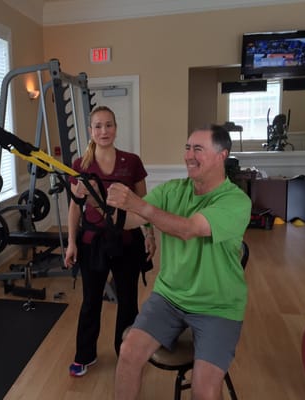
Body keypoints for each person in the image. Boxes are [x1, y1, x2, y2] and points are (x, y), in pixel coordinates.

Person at [106, 124, 252, 400]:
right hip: (169, 297)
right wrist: (97, 201)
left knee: (204, 390)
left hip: (217, 306)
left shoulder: (236, 202)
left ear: (223, 155)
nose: (189, 155)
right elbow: (130, 220)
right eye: (187, 148)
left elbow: (188, 230)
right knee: (128, 353)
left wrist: (138, 205)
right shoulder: (173, 190)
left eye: (198, 149)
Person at [64, 105, 156, 377]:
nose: (104, 131)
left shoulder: (132, 161)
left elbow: (144, 205)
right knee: (91, 300)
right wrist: (71, 242)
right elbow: (74, 207)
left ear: (116, 128)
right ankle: (85, 355)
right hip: (93, 241)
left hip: (127, 240)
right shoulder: (80, 165)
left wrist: (150, 234)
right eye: (98, 126)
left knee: (128, 300)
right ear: (91, 131)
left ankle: (125, 354)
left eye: (109, 125)